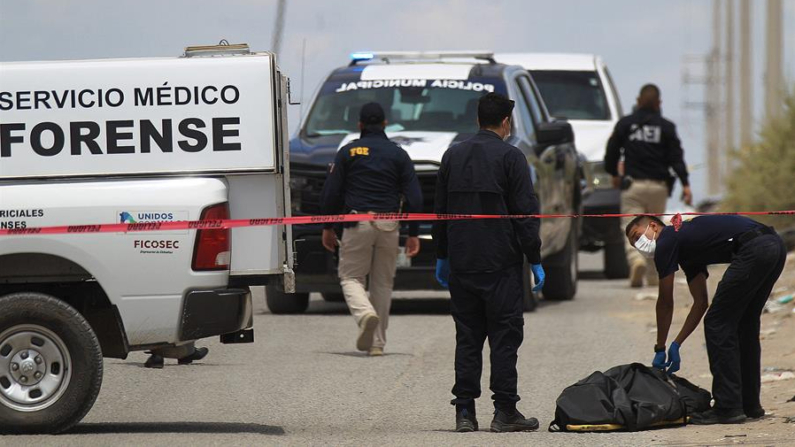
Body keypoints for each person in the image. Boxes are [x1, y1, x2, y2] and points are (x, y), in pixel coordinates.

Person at [433, 92, 545, 433]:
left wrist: (441, 255)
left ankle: (465, 412)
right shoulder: (512, 158)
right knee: (504, 337)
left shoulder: (452, 155)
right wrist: (535, 259)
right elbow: (525, 214)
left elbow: (439, 212)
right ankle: (505, 411)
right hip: (501, 264)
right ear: (506, 122)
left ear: (478, 119)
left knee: (467, 338)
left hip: (463, 263)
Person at [625, 214, 786, 424]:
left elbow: (665, 301)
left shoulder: (666, 240)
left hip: (755, 249)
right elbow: (700, 302)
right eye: (633, 244)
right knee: (744, 324)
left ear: (653, 226)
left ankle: (728, 407)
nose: (639, 245)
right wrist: (676, 344)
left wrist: (660, 347)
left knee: (718, 323)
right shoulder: (686, 248)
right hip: (774, 246)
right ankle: (749, 405)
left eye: (637, 237)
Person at [319, 102, 422, 357]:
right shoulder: (399, 154)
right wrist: (413, 233)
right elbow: (415, 198)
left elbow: (331, 193)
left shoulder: (348, 152)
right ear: (385, 124)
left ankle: (364, 314)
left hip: (358, 222)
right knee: (383, 284)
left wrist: (328, 226)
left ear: (360, 125)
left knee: (351, 278)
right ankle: (377, 344)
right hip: (389, 224)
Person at [605, 84, 693, 288]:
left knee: (629, 226)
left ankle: (636, 261)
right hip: (658, 188)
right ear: (659, 103)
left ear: (637, 101)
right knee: (654, 230)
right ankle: (654, 276)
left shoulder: (626, 124)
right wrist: (686, 184)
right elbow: (677, 158)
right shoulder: (666, 127)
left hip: (633, 187)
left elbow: (612, 151)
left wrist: (613, 173)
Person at [144, 342, 208, 368]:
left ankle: (157, 356)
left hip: (159, 351)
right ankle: (188, 353)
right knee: (185, 316)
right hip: (185, 350)